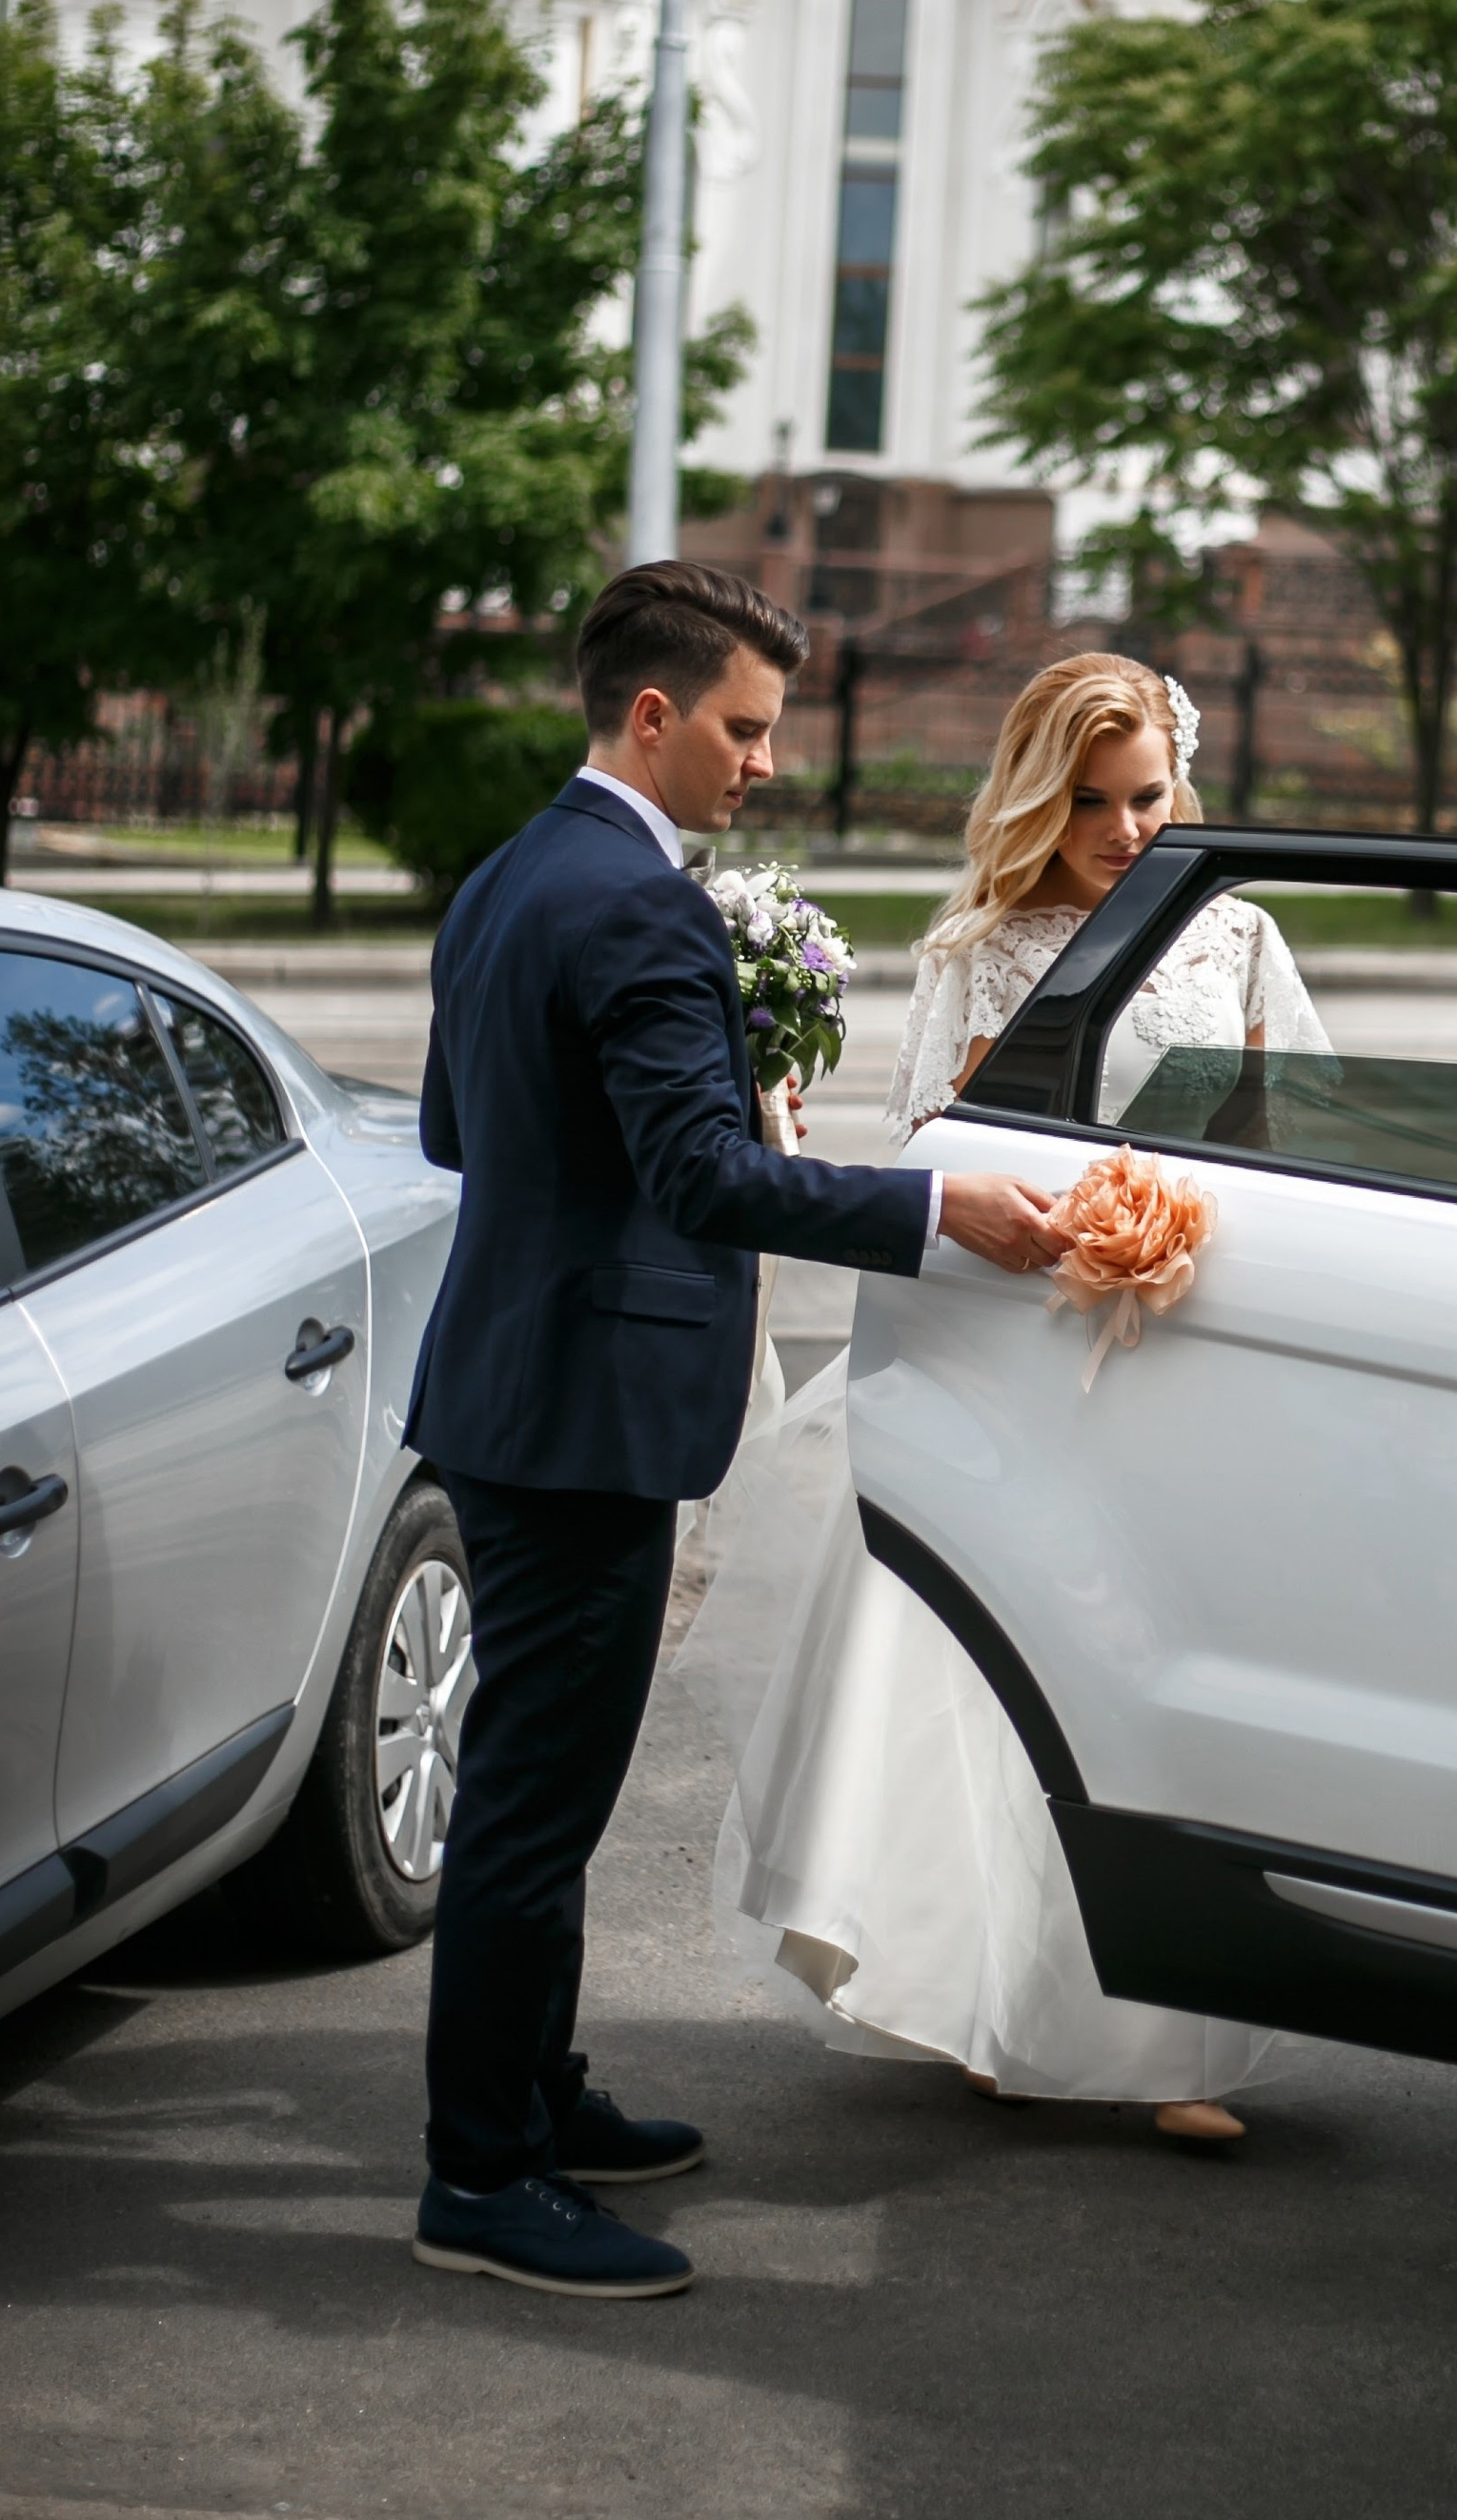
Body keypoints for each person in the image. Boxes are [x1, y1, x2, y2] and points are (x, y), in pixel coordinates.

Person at [404, 560, 1062, 2301]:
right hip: (581, 1417)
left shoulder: (506, 876)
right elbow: (701, 1181)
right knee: (537, 1812)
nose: (765, 763)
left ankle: (537, 2097)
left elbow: (456, 1132)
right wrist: (941, 1216)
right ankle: (481, 2177)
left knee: (539, 1788)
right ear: (655, 714)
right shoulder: (638, 909)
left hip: (509, 1387)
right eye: (746, 728)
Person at [692, 653, 1328, 2141]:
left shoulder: (1237, 939)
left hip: (1170, 1343)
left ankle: (1165, 2049)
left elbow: (1302, 1132)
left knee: (1154, 1675)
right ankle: (993, 2001)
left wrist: (1195, 1228)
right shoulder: (977, 948)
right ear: (1040, 797)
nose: (1119, 830)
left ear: (1183, 787)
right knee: (993, 1682)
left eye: (1145, 798)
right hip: (1008, 1348)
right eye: (1089, 801)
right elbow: (923, 1155)